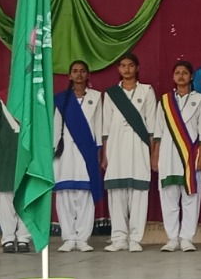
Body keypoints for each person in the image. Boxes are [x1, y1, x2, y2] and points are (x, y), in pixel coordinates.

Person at [102, 52, 159, 252]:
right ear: (118, 69)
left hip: (139, 146)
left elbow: (152, 126)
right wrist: (105, 154)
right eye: (123, 65)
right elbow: (105, 128)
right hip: (116, 147)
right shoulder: (110, 94)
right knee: (116, 192)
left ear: (137, 68)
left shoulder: (147, 91)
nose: (127, 69)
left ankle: (135, 238)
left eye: (130, 65)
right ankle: (118, 238)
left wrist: (153, 153)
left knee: (139, 192)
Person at [53, 60, 105, 253]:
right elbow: (56, 128)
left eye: (83, 71)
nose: (79, 74)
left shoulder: (96, 97)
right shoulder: (61, 99)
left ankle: (83, 238)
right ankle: (68, 237)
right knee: (65, 194)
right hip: (64, 152)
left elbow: (98, 126)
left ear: (88, 75)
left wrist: (99, 150)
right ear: (69, 75)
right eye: (74, 71)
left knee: (85, 194)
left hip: (87, 151)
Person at [157, 60, 201, 252]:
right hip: (168, 153)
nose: (181, 76)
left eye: (185, 73)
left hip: (191, 154)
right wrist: (156, 156)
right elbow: (158, 131)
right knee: (169, 196)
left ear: (191, 76)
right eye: (177, 72)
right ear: (173, 76)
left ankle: (187, 238)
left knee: (190, 197)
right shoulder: (165, 100)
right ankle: (172, 238)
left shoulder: (200, 100)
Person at [0, 90, 32, 253]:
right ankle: (8, 237)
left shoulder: (30, 98)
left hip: (25, 154)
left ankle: (23, 238)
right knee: (5, 198)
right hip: (5, 153)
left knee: (24, 197)